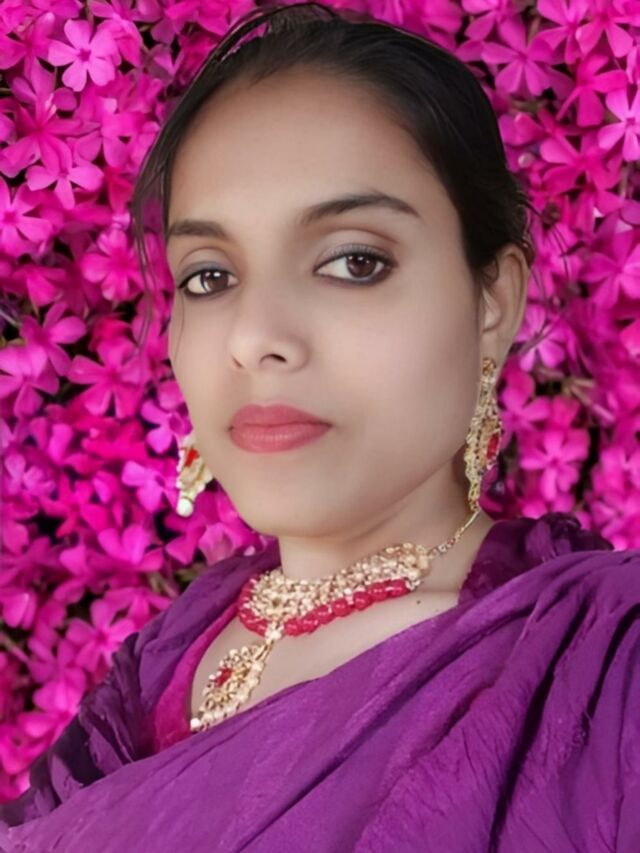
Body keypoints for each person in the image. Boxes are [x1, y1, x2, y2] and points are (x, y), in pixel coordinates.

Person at [2, 3, 639, 851]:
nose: (256, 335)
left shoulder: (596, 669)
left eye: (353, 261)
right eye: (208, 275)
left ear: (493, 301)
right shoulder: (155, 666)